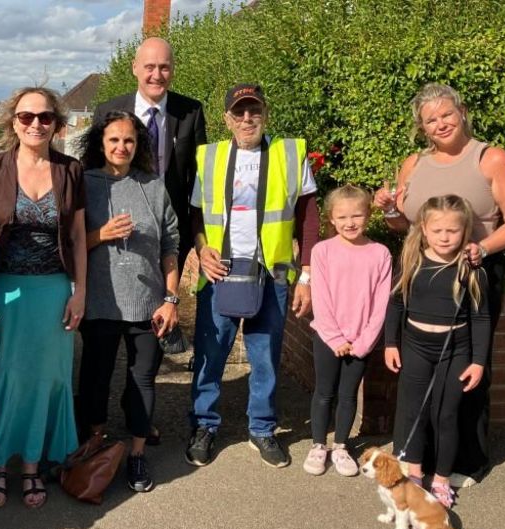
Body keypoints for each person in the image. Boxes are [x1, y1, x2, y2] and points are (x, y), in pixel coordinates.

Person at [375, 83, 505, 485]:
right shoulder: (413, 164)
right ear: (421, 127)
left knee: (467, 371)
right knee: (418, 374)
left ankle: (465, 462)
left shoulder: (491, 159)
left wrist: (482, 248)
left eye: (446, 114)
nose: (440, 123)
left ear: (462, 112)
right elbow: (404, 226)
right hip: (422, 272)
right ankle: (416, 460)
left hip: (472, 270)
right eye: (431, 119)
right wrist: (390, 210)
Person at [187, 83, 321, 468]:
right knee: (211, 355)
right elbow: (196, 214)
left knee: (265, 357)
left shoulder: (289, 154)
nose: (247, 118)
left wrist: (307, 275)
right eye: (239, 112)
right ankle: (204, 426)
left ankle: (261, 429)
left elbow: (308, 215)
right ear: (227, 118)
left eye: (254, 110)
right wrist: (201, 248)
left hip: (273, 273)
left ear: (265, 113)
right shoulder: (209, 157)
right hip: (219, 272)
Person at [0, 86, 86, 509]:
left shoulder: (70, 170)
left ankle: (33, 466)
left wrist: (81, 293)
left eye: (44, 117)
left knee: (46, 379)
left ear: (56, 123)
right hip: (5, 289)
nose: (35, 124)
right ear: (12, 122)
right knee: (3, 377)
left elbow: (75, 236)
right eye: (26, 116)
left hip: (54, 289)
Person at [75, 111, 180, 492]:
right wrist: (99, 234)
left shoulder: (152, 186)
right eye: (114, 140)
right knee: (95, 378)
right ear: (100, 143)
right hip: (100, 303)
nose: (122, 147)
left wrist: (170, 298)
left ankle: (136, 454)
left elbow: (171, 244)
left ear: (139, 145)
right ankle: (95, 443)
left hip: (148, 304)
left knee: (142, 379)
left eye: (129, 141)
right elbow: (69, 246)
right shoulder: (84, 184)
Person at [384, 195, 490, 508]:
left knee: (445, 415)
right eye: (438, 230)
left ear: (465, 231)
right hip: (415, 346)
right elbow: (395, 304)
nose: (445, 237)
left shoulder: (471, 270)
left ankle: (442, 478)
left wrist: (478, 362)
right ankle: (414, 474)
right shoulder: (411, 261)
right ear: (424, 231)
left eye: (453, 231)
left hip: (455, 350)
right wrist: (391, 343)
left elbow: (481, 318)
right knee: (413, 411)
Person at [94, 37, 206, 270]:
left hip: (171, 227)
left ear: (173, 70)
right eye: (150, 67)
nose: (157, 75)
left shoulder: (191, 112)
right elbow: (93, 171)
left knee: (165, 296)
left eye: (164, 67)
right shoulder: (107, 111)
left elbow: (199, 176)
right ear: (135, 68)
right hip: (120, 223)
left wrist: (198, 234)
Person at [303, 185, 391, 477]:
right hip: (328, 338)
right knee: (325, 393)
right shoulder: (322, 251)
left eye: (357, 215)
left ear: (369, 216)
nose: (350, 222)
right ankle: (318, 445)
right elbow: (322, 297)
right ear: (331, 218)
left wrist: (365, 341)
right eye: (342, 217)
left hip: (361, 342)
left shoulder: (380, 253)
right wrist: (336, 337)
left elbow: (381, 304)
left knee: (349, 394)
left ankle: (341, 446)